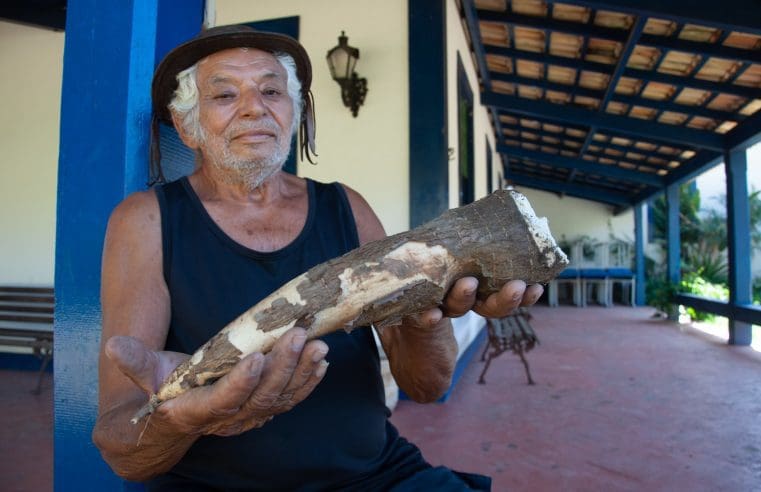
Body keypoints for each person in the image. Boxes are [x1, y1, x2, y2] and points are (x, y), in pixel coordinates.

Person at [91, 24, 544, 491]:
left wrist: (424, 316)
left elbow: (427, 387)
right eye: (224, 95)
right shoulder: (147, 221)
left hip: (374, 476)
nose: (254, 107)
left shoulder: (346, 207)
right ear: (188, 125)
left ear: (294, 112)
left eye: (272, 90)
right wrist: (187, 418)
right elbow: (122, 447)